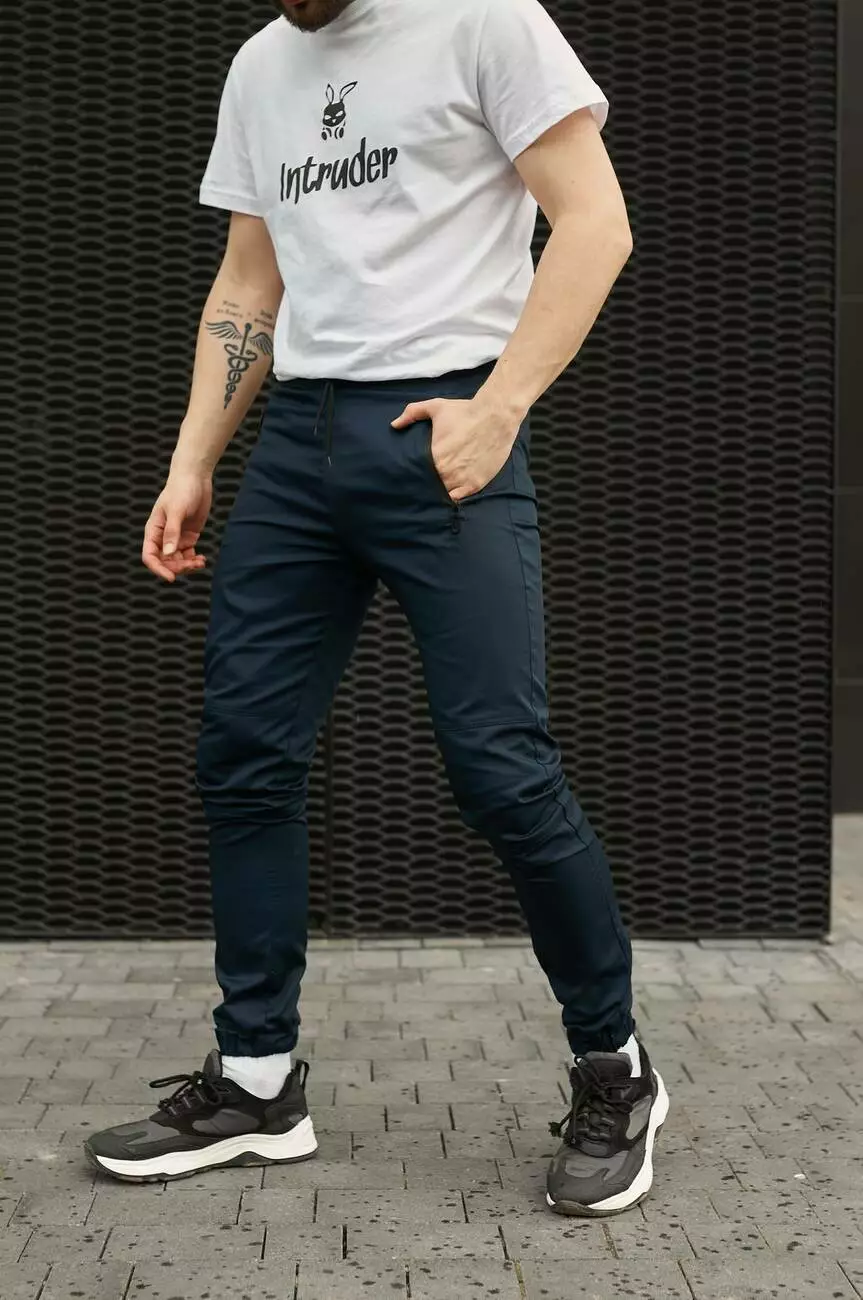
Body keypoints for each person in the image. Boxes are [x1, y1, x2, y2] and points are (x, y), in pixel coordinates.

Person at [84, 0, 669, 1216]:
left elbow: (594, 222)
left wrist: (499, 406)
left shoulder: (483, 20)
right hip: (298, 444)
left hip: (440, 424)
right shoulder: (262, 62)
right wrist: (193, 459)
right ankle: (256, 1081)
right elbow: (249, 280)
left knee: (501, 769)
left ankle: (614, 1068)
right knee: (243, 755)